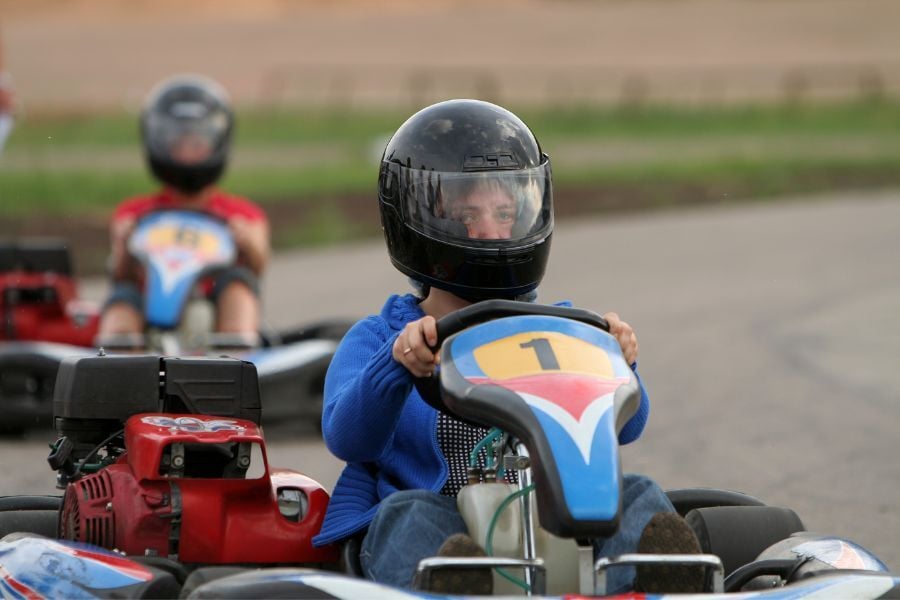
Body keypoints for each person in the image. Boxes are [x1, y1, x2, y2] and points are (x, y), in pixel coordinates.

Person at [312, 99, 702, 595]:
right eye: (465, 215)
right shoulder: (380, 338)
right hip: (441, 515)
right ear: (415, 219)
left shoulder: (562, 326)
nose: (492, 233)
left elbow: (630, 427)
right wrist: (396, 367)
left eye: (504, 213)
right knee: (405, 514)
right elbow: (348, 440)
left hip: (547, 514)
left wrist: (621, 366)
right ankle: (458, 582)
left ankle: (650, 582)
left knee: (639, 494)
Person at [98, 75, 269, 343]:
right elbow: (121, 277)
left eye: (197, 145)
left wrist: (247, 242)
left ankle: (237, 352)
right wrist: (123, 244)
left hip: (214, 305)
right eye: (179, 145)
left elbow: (258, 267)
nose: (188, 154)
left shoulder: (243, 215)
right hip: (148, 313)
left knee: (238, 285)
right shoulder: (134, 213)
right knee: (122, 299)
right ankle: (115, 360)